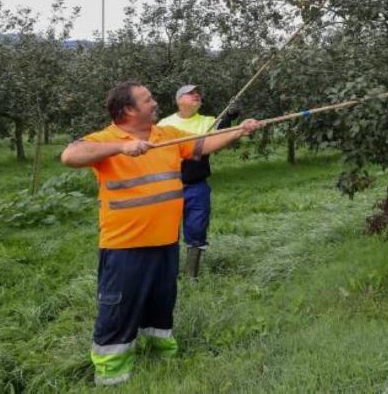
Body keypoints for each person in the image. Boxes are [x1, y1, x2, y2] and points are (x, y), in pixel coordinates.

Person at [60, 81, 260, 386]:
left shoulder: (165, 135)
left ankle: (162, 354)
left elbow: (203, 145)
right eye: (147, 99)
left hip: (166, 241)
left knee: (161, 301)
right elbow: (70, 155)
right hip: (125, 246)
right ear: (128, 110)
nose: (155, 103)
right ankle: (112, 374)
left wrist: (240, 130)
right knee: (118, 308)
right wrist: (121, 147)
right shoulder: (106, 139)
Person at [157, 84, 237, 279]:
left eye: (198, 94)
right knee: (166, 230)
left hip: (197, 184)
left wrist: (229, 116)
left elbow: (221, 135)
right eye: (190, 93)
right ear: (179, 100)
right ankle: (167, 273)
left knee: (197, 227)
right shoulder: (164, 125)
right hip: (169, 185)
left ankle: (190, 274)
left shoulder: (209, 121)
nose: (196, 95)